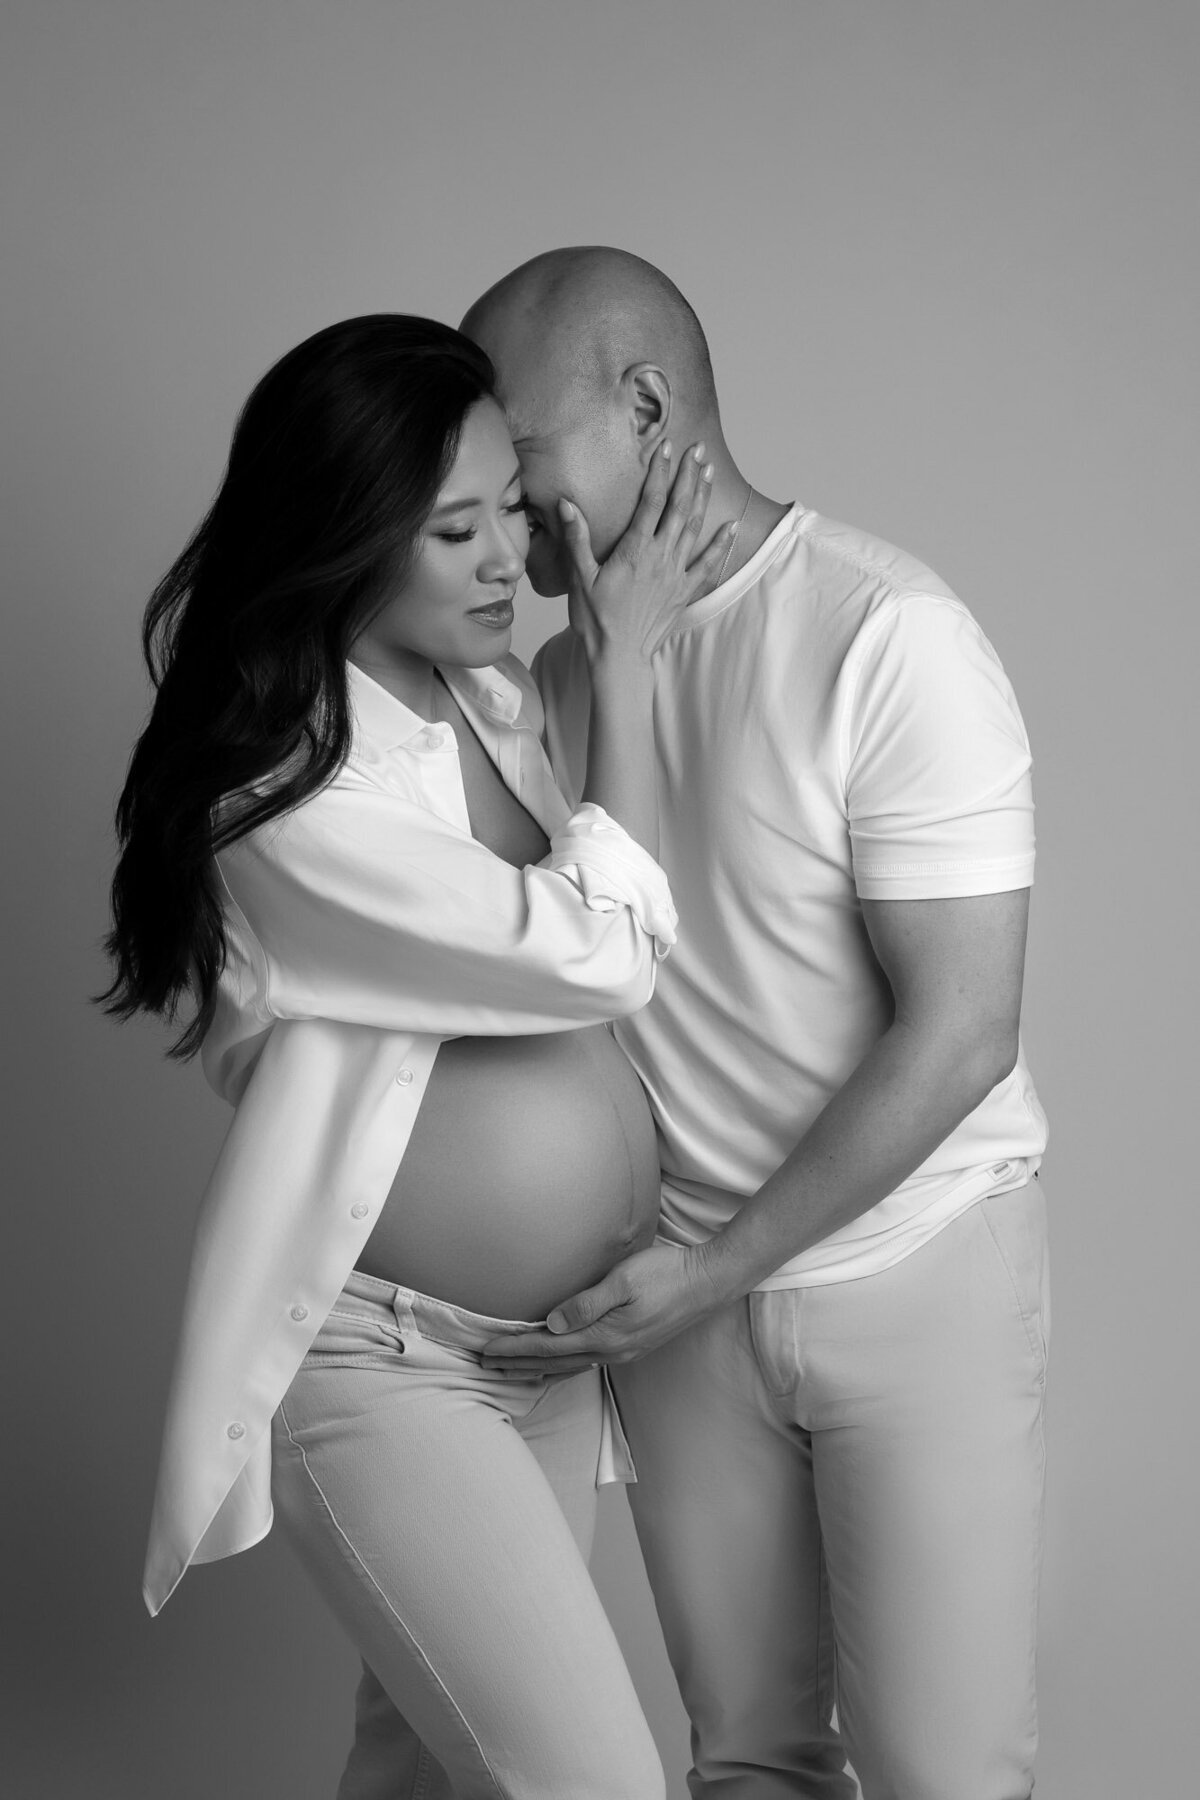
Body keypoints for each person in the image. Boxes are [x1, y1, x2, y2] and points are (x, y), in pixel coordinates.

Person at [99, 312, 738, 1800]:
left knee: (426, 1775)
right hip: (389, 1367)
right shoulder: (285, 798)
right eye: (456, 530)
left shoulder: (492, 702)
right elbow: (601, 951)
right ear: (344, 539)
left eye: (511, 506)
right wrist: (628, 658)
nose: (509, 559)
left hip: (544, 1359)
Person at [463, 249, 1051, 1800]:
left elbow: (965, 1030)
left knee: (946, 1777)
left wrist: (715, 1268)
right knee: (750, 1767)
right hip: (684, 1309)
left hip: (910, 1269)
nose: (494, 516)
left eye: (516, 465)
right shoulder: (563, 683)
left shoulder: (888, 631)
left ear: (648, 406)